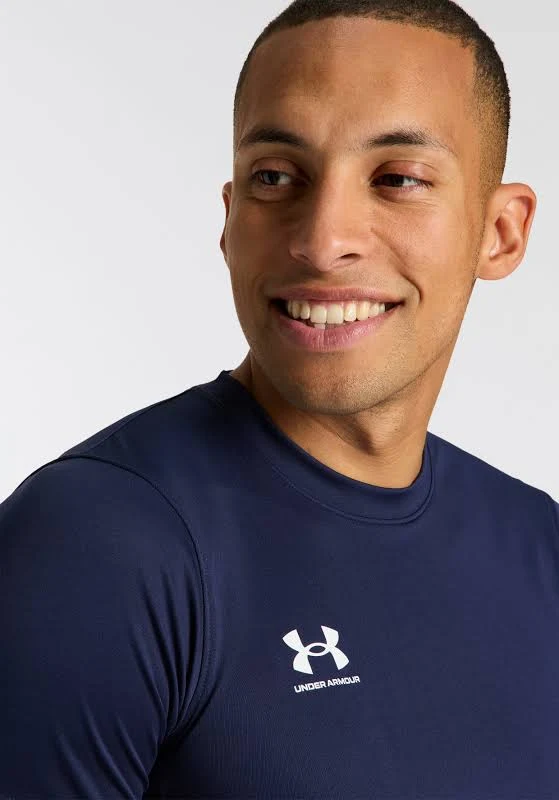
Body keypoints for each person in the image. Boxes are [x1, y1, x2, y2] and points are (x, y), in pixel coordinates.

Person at [1, 0, 557, 797]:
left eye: (396, 179)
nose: (323, 240)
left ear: (500, 233)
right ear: (231, 220)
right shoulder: (100, 547)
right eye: (275, 178)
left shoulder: (537, 541)